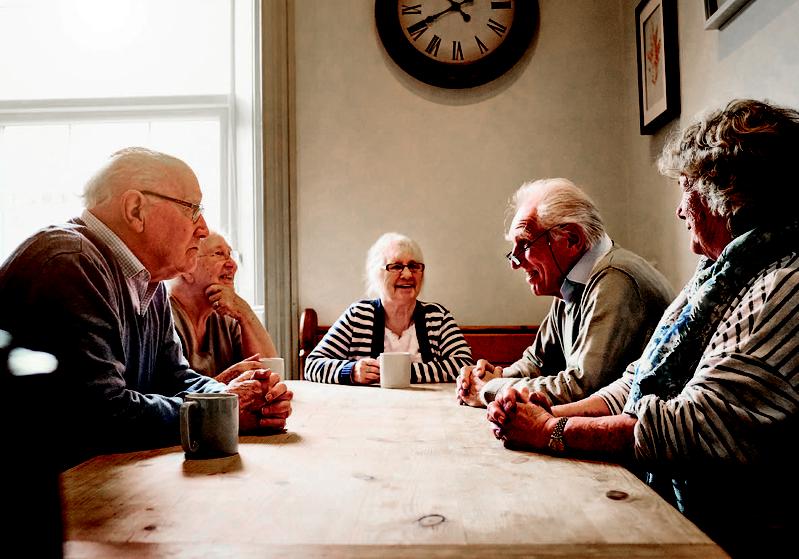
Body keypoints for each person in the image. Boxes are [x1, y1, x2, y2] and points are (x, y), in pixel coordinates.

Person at [486, 99, 799, 557]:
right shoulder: (719, 273)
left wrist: (551, 430)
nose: (679, 210)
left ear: (727, 193)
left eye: (685, 188)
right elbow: (634, 380)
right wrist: (536, 407)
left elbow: (692, 427)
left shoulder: (783, 282)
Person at [0, 147, 292, 469]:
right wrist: (223, 409)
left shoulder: (147, 281)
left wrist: (238, 396)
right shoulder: (71, 263)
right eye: (192, 209)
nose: (204, 228)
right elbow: (102, 414)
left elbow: (176, 376)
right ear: (136, 209)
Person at [457, 178, 673, 408]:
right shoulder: (572, 280)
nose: (515, 262)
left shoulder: (615, 279)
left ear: (572, 239)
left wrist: (491, 390)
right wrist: (494, 377)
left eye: (525, 244)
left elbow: (584, 388)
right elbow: (538, 361)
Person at [305, 232, 473, 384]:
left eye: (414, 266)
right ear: (376, 274)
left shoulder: (438, 317)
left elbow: (463, 364)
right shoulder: (358, 316)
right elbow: (313, 364)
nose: (407, 274)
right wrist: (352, 371)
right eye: (396, 266)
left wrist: (396, 373)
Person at [169, 231, 278, 383]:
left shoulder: (225, 317)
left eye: (230, 254)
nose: (232, 264)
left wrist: (245, 312)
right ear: (187, 269)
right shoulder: (164, 319)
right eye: (219, 254)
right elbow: (170, 398)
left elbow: (270, 371)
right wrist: (225, 383)